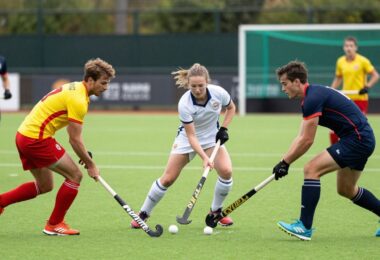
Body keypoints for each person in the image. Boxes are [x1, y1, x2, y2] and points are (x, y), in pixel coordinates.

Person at [0, 58, 115, 236]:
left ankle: (1, 202)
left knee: (44, 185)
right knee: (75, 176)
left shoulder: (76, 87)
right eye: (103, 83)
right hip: (36, 139)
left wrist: (85, 156)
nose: (106, 87)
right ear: (90, 80)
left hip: (24, 135)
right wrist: (90, 164)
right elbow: (74, 140)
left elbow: (76, 139)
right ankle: (54, 224)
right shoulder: (78, 99)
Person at [272, 60, 380, 241]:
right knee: (346, 189)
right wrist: (283, 161)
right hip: (360, 138)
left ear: (297, 82)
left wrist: (286, 163)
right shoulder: (312, 96)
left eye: (285, 84)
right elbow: (300, 136)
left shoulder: (313, 98)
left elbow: (307, 140)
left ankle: (304, 226)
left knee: (311, 169)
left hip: (357, 139)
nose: (283, 89)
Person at [131, 63, 236, 228]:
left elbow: (231, 108)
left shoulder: (218, 93)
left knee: (226, 171)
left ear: (207, 82)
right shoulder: (184, 103)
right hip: (187, 140)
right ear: (188, 85)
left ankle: (216, 212)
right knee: (168, 178)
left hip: (210, 139)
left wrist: (223, 128)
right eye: (193, 86)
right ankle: (143, 214)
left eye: (201, 85)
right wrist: (204, 158)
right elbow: (191, 136)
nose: (197, 89)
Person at [329, 36, 379, 144]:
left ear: (356, 48)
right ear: (343, 48)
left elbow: (375, 75)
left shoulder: (363, 61)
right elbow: (338, 77)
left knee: (358, 128)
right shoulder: (340, 61)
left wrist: (367, 87)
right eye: (346, 46)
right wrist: (331, 90)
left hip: (360, 100)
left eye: (351, 46)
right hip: (346, 99)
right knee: (334, 128)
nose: (349, 48)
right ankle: (334, 152)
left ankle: (358, 151)